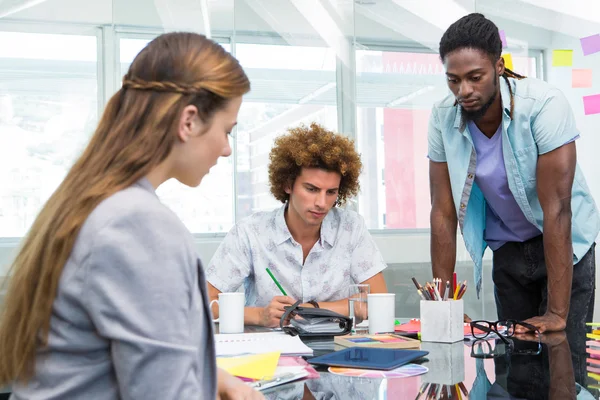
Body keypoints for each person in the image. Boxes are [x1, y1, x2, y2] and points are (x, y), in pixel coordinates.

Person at [0, 32, 263, 400]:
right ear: (188, 121)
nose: (226, 150)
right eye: (226, 130)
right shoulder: (139, 225)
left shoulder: (99, 201)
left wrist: (213, 377)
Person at [428, 13, 599, 385]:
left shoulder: (543, 105)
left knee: (561, 357)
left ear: (499, 66)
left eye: (476, 77)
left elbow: (557, 210)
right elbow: (442, 213)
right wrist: (443, 306)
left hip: (565, 246)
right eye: (453, 80)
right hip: (508, 249)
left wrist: (556, 312)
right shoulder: (443, 117)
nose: (464, 90)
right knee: (514, 368)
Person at [206, 123, 388, 328]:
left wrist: (310, 309)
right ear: (287, 184)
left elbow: (378, 301)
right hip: (270, 352)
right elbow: (205, 302)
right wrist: (258, 315)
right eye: (311, 189)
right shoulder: (250, 233)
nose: (321, 202)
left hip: (334, 348)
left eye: (331, 192)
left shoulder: (351, 228)